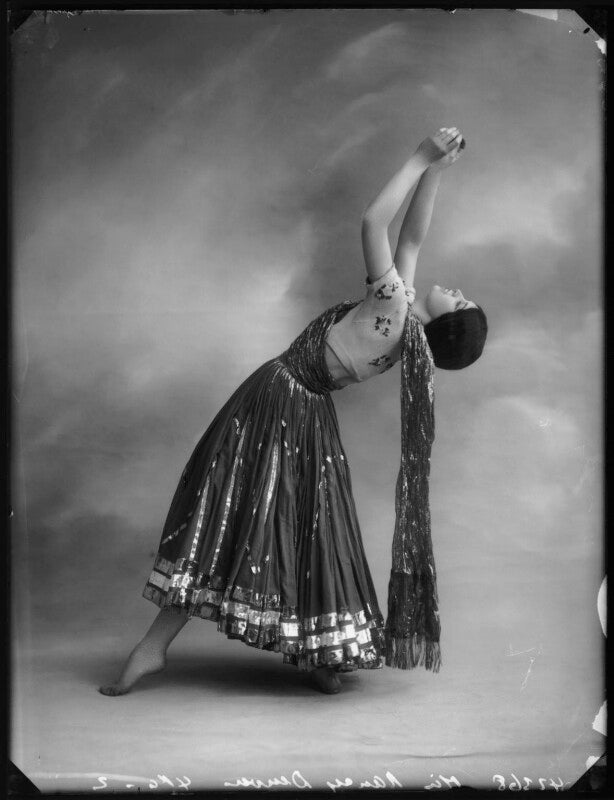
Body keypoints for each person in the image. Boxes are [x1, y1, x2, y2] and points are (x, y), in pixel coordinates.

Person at [99, 126, 487, 698]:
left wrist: (418, 157)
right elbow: (410, 239)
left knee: (230, 512)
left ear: (445, 323)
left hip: (278, 399)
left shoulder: (393, 307)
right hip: (308, 415)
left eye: (459, 300)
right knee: (311, 530)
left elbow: (373, 224)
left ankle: (157, 647)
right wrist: (436, 173)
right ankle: (317, 656)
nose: (454, 289)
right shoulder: (405, 329)